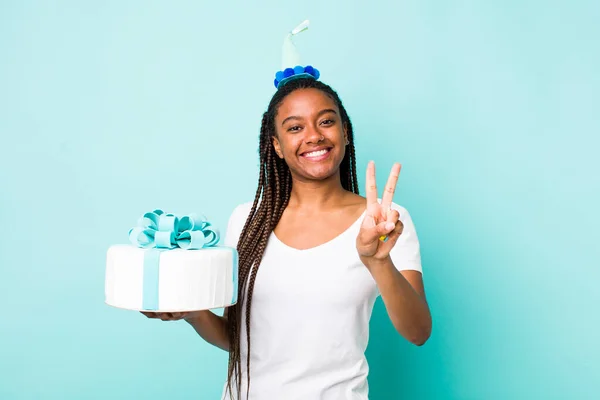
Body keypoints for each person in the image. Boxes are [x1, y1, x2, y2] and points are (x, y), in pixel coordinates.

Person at [142, 22, 432, 400]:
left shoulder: (386, 221)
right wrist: (193, 313)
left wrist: (378, 261)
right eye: (295, 127)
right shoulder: (247, 219)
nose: (313, 135)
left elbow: (418, 332)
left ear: (345, 132)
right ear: (276, 145)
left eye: (326, 121)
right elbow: (239, 341)